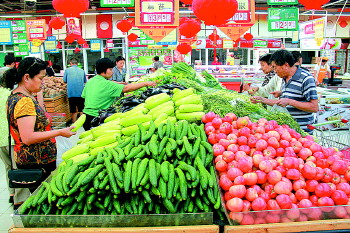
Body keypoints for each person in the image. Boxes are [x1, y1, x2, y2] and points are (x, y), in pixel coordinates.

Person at [4, 57, 75, 208]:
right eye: (41, 78)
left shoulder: (16, 96)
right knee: (44, 202)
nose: (43, 82)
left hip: (30, 159)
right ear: (27, 77)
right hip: (36, 161)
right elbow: (28, 137)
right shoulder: (24, 101)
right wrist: (59, 132)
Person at [251, 49, 318, 134]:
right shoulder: (284, 79)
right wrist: (261, 99)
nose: (274, 71)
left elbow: (314, 107)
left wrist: (290, 101)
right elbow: (282, 103)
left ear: (285, 65)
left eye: (275, 67)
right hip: (287, 131)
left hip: (302, 132)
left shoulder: (306, 78)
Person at [81, 58, 157, 130]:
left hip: (85, 117)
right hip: (97, 118)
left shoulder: (90, 82)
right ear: (104, 70)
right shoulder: (107, 84)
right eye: (110, 69)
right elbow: (126, 88)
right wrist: (145, 83)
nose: (112, 72)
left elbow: (84, 96)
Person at [63, 58, 87, 123]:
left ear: (70, 63)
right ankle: (82, 122)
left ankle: (74, 123)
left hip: (71, 93)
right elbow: (85, 81)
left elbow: (64, 80)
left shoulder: (67, 70)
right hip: (81, 93)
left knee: (73, 110)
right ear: (77, 64)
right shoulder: (82, 70)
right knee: (81, 109)